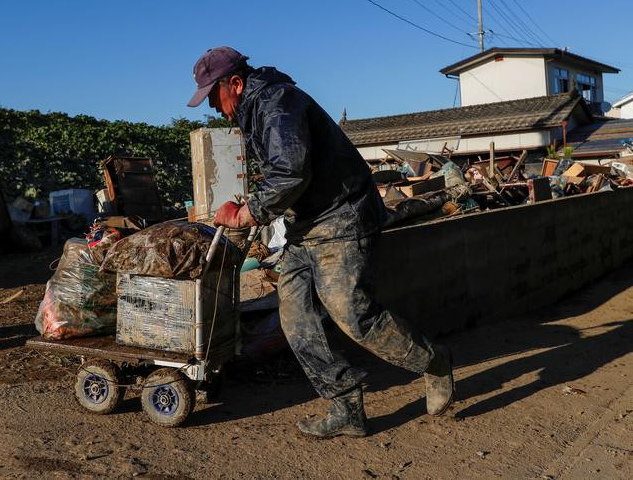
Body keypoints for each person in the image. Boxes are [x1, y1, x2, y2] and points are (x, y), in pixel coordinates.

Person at [187, 46, 454, 438]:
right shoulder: (256, 110)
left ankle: (433, 360)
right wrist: (251, 203)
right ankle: (345, 404)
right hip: (306, 226)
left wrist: (248, 213)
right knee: (296, 320)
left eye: (213, 95)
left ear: (236, 84)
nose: (212, 105)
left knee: (353, 315)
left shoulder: (276, 103)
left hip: (341, 218)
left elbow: (291, 172)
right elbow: (287, 174)